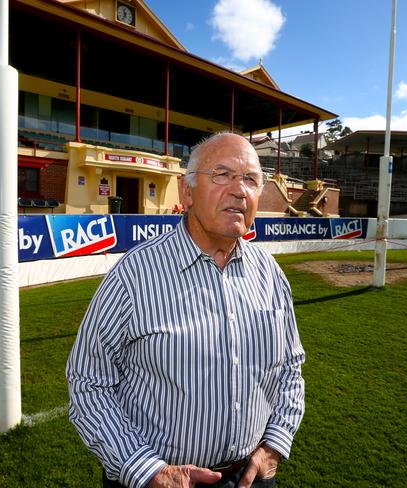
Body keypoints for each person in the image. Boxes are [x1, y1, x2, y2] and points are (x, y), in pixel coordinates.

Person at [66, 132, 305, 488]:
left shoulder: (271, 275)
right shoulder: (134, 275)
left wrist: (273, 445)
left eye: (252, 179)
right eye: (222, 175)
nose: (240, 190)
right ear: (187, 192)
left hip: (250, 476)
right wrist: (145, 470)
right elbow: (88, 382)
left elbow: (290, 367)